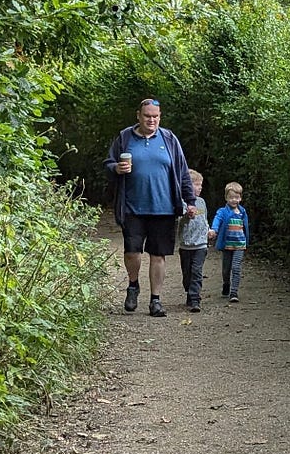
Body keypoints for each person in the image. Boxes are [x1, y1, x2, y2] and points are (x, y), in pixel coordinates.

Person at [104, 98, 198, 317]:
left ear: (160, 117)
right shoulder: (125, 137)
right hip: (132, 208)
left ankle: (156, 300)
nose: (151, 120)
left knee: (158, 255)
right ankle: (133, 285)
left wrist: (189, 200)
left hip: (163, 208)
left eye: (155, 116)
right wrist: (116, 168)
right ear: (138, 116)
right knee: (132, 251)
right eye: (147, 116)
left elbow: (183, 172)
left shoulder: (169, 139)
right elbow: (107, 164)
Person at [208, 182, 249, 303]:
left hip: (239, 244)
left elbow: (246, 227)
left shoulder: (242, 212)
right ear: (226, 198)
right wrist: (214, 230)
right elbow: (217, 220)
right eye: (231, 197)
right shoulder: (222, 211)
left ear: (240, 198)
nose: (234, 200)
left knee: (236, 268)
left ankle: (234, 292)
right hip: (227, 245)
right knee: (226, 270)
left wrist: (247, 240)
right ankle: (226, 283)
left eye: (236, 197)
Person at [177, 170, 209, 312]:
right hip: (186, 245)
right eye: (197, 185)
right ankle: (189, 291)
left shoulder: (202, 202)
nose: (200, 188)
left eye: (200, 185)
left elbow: (204, 220)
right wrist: (186, 216)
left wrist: (209, 231)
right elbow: (179, 221)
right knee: (187, 274)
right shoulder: (182, 203)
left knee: (196, 271)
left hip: (201, 244)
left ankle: (195, 298)